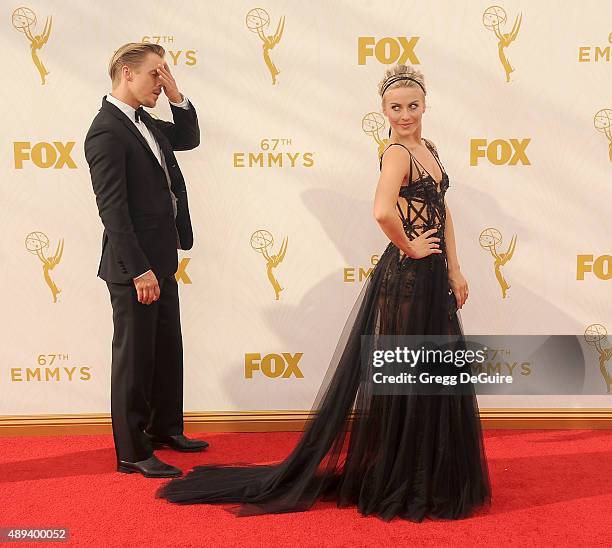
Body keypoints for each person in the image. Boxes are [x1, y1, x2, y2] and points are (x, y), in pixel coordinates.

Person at [158, 64, 491, 520]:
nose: (405, 115)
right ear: (383, 111)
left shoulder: (427, 148)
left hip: (432, 275)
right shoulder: (396, 152)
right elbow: (381, 211)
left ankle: (425, 474)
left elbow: (442, 209)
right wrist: (410, 247)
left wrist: (454, 267)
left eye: (413, 106)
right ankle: (407, 479)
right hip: (408, 279)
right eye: (396, 108)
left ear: (425, 105)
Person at [85, 42, 208, 479]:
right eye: (156, 73)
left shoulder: (145, 124)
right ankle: (133, 452)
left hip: (162, 260)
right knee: (134, 358)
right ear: (125, 73)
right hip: (133, 267)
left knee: (165, 350)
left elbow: (189, 138)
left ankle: (164, 429)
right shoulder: (106, 131)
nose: (161, 80)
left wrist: (176, 95)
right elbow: (112, 211)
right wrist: (138, 270)